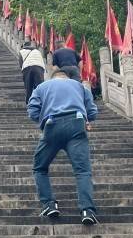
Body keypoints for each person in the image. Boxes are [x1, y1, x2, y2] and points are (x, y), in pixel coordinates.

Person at [27, 66, 99, 225]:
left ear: (52, 78)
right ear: (67, 77)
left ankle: (49, 204)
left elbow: (32, 111)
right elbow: (93, 112)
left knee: (40, 167)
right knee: (82, 171)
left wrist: (44, 120)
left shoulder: (42, 87)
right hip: (77, 124)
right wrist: (86, 118)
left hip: (52, 125)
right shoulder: (79, 86)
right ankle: (87, 210)